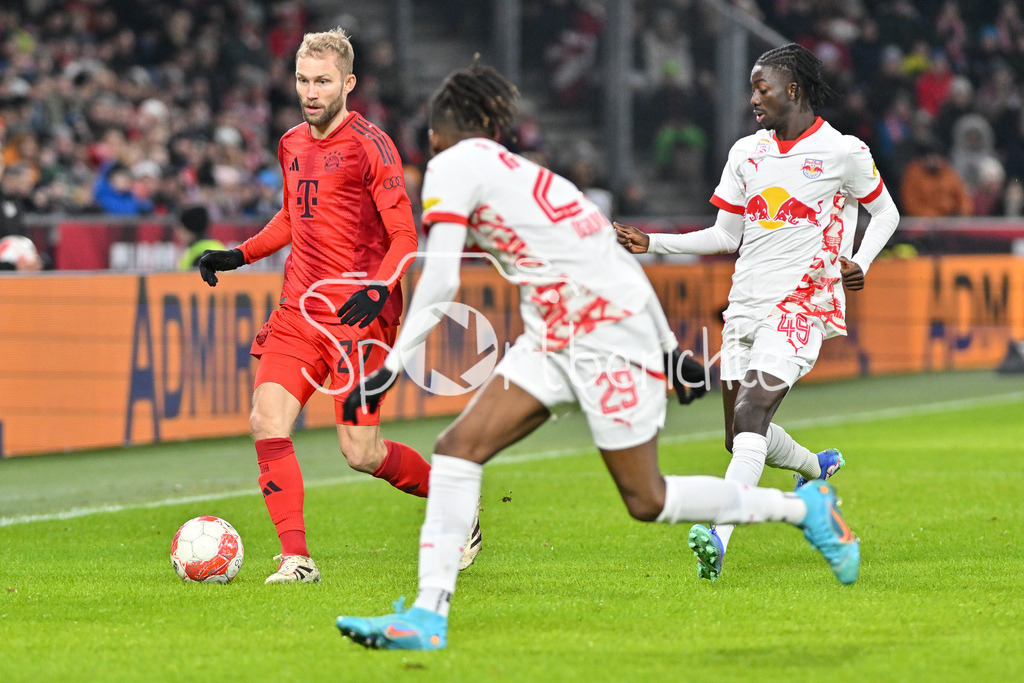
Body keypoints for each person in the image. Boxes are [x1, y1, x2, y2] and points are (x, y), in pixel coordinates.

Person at [334, 60, 860, 651]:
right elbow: (612, 260)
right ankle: (429, 616)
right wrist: (670, 350)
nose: (429, 140)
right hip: (557, 336)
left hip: (605, 339)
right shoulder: (535, 179)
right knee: (458, 449)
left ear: (441, 129)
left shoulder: (452, 167)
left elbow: (441, 281)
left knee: (647, 499)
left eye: (431, 130)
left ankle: (803, 511)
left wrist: (390, 367)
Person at [195, 28, 480, 584]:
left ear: (348, 84)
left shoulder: (371, 145)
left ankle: (455, 499)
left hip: (360, 320)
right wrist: (239, 254)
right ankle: (296, 559)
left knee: (361, 452)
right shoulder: (290, 143)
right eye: (303, 79)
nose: (310, 91)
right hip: (299, 310)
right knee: (266, 418)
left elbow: (404, 236)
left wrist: (376, 290)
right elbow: (292, 216)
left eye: (322, 81)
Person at [615, 43, 898, 582]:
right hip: (745, 303)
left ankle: (718, 538)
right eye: (751, 87)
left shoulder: (843, 151)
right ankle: (818, 468)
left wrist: (858, 261)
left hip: (803, 302)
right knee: (739, 435)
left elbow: (885, 212)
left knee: (750, 416)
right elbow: (726, 235)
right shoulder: (747, 152)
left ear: (792, 89)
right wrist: (652, 241)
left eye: (761, 87)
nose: (753, 98)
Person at [174, 205, 226, 269]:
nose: (177, 233)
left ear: (190, 230)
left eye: (180, 228)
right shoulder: (215, 246)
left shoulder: (201, 256)